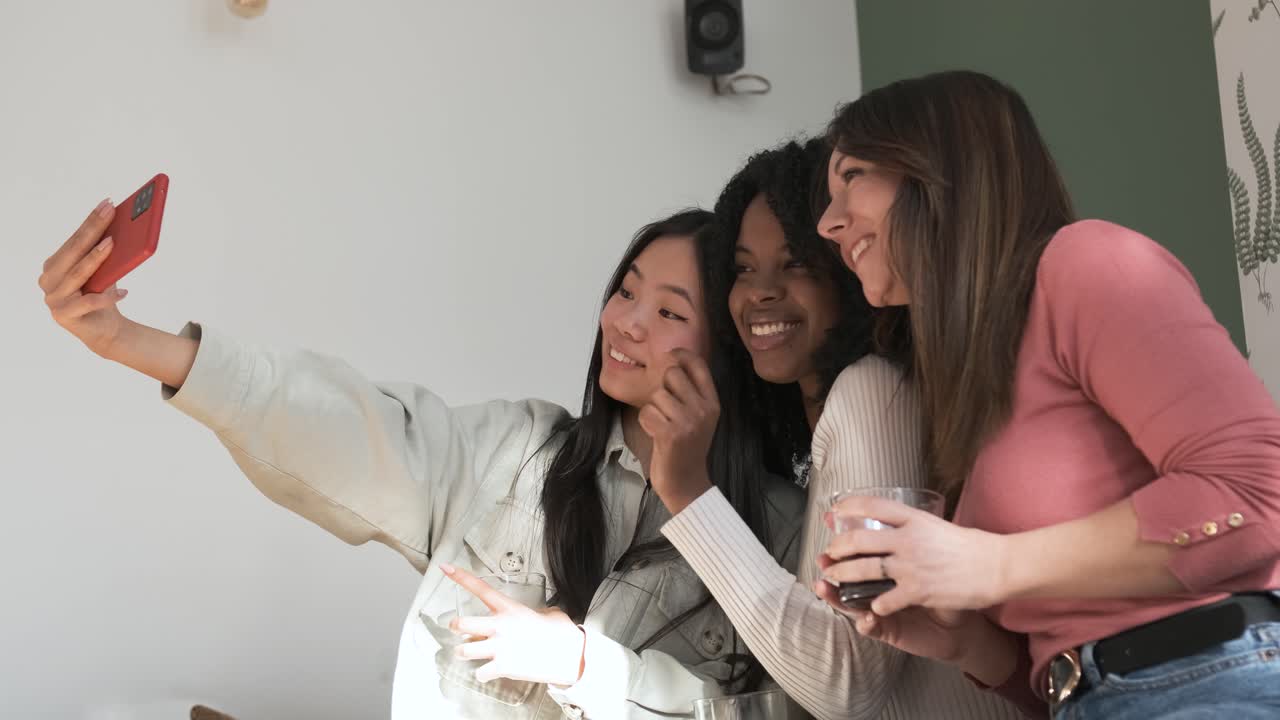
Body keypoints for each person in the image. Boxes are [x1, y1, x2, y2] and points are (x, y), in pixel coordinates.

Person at [39, 204, 803, 719]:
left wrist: (582, 666)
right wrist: (126, 343)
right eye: (626, 291)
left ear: (727, 348)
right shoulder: (518, 450)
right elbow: (338, 422)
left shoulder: (779, 533)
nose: (626, 324)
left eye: (669, 312)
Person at [815, 70, 1280, 719]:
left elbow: (1259, 495)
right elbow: (1072, 673)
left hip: (1216, 682)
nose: (828, 223)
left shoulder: (1087, 262)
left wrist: (992, 563)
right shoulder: (974, 371)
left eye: (853, 176)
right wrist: (964, 642)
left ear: (942, 168)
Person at [640, 139, 1026, 718]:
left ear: (848, 274)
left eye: (794, 261)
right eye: (743, 269)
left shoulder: (873, 391)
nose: (761, 291)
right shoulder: (847, 412)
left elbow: (845, 684)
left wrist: (689, 494)